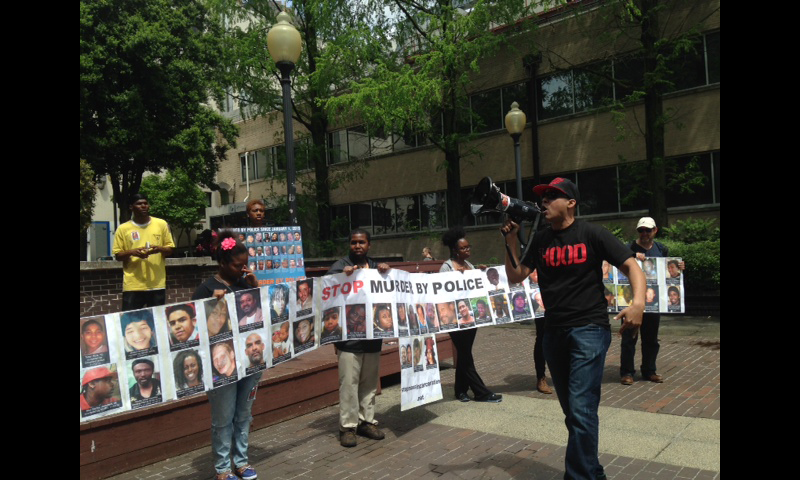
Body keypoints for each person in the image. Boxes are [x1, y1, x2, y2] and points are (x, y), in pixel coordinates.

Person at [503, 177, 646, 480]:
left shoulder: (592, 233)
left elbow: (632, 265)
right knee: (574, 413)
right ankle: (592, 471)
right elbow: (516, 275)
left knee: (581, 410)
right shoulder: (541, 238)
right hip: (554, 333)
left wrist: (638, 304)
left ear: (570, 202)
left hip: (589, 330)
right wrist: (511, 240)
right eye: (542, 197)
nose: (543, 202)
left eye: (551, 196)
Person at [192, 231, 261, 480]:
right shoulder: (206, 289)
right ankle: (223, 468)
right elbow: (198, 331)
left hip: (248, 362)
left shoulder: (246, 283)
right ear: (222, 262)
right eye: (237, 265)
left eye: (245, 264)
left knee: (243, 414)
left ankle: (241, 462)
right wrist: (212, 305)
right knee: (223, 417)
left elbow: (261, 322)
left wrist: (255, 289)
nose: (243, 269)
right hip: (220, 365)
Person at [327, 229, 391, 447]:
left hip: (372, 337)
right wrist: (340, 276)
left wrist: (386, 272)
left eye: (362, 242)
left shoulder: (375, 268)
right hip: (349, 339)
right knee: (349, 384)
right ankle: (347, 427)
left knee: (369, 384)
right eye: (353, 242)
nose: (357, 246)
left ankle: (366, 421)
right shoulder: (339, 267)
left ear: (369, 245)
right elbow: (327, 287)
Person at [620, 217, 686, 386]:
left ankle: (649, 370)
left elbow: (666, 271)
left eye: (647, 230)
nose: (644, 233)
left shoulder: (661, 249)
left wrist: (678, 268)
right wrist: (633, 255)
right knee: (629, 338)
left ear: (655, 230)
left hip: (653, 302)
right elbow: (617, 263)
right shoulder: (628, 248)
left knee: (651, 339)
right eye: (641, 230)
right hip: (632, 301)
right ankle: (627, 372)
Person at [440, 226, 502, 403]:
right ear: (454, 250)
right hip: (455, 318)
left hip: (470, 317)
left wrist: (480, 274)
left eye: (468, 247)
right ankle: (481, 392)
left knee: (464, 353)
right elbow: (442, 295)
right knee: (466, 354)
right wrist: (456, 279)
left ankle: (460, 390)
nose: (467, 250)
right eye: (463, 248)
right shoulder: (447, 268)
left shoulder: (470, 266)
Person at [112, 193, 175, 311]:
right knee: (131, 321)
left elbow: (170, 249)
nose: (143, 206)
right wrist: (132, 252)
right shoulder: (123, 229)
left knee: (157, 322)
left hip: (156, 284)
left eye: (145, 203)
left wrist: (158, 249)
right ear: (131, 207)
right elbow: (118, 255)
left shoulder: (161, 224)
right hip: (133, 285)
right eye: (139, 204)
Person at [528, 271, 552, 394]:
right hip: (541, 314)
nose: (536, 272)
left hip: (557, 305)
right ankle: (541, 378)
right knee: (542, 340)